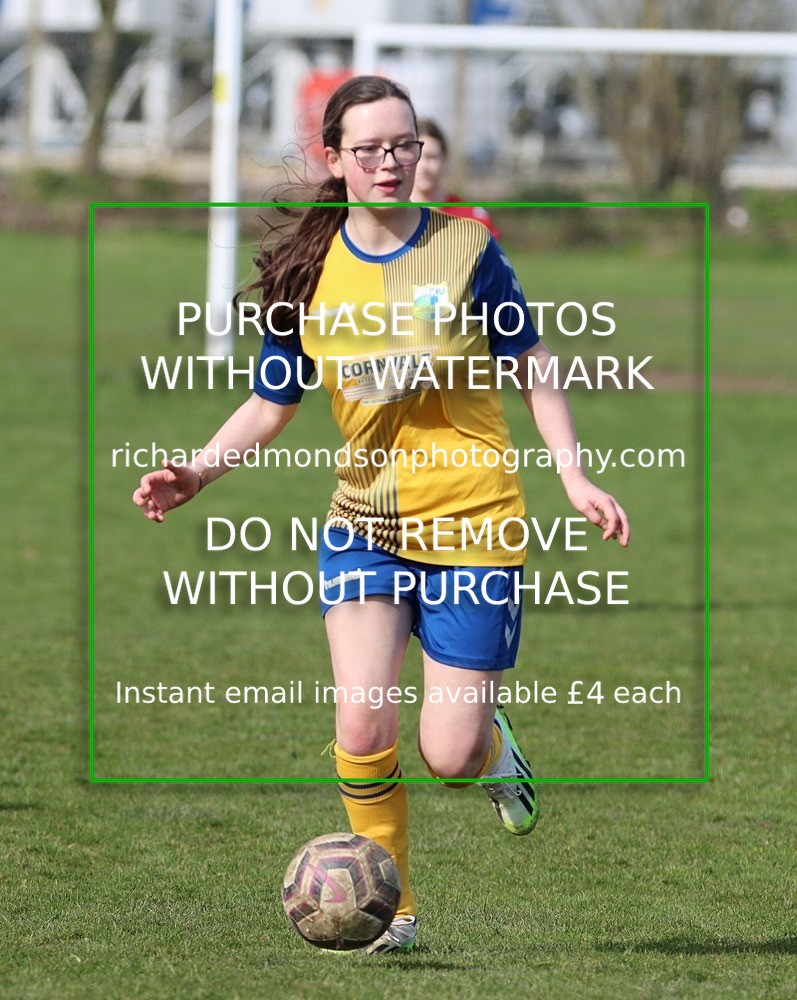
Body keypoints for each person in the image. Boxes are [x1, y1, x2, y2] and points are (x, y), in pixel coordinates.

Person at [133, 75, 629, 955]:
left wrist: (574, 474)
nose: (391, 162)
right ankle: (391, 912)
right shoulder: (306, 270)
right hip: (362, 521)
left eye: (404, 145)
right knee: (362, 722)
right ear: (335, 157)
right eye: (370, 149)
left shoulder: (467, 249)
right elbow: (268, 403)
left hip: (475, 521)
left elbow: (533, 360)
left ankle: (489, 753)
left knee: (445, 754)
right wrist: (199, 473)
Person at [411, 116, 500, 237]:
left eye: (431, 157)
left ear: (445, 157)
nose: (423, 166)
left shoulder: (473, 219)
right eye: (417, 157)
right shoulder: (391, 218)